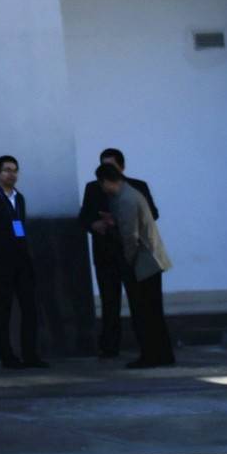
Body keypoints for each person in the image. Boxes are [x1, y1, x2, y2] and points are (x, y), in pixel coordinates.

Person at [78, 149, 161, 357]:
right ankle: (109, 346)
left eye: (111, 166)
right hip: (105, 252)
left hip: (130, 253)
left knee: (138, 301)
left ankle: (144, 347)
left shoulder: (137, 187)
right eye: (103, 166)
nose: (107, 172)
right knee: (109, 302)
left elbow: (152, 214)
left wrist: (121, 221)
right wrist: (94, 224)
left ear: (122, 167)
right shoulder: (93, 188)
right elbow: (84, 217)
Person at [0, 154, 49, 369]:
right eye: (6, 170)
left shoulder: (20, 199)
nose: (11, 174)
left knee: (29, 307)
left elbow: (20, 227)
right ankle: (7, 355)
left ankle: (30, 354)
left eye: (14, 170)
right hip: (2, 262)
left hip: (22, 261)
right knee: (4, 308)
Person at [97, 168, 176, 367]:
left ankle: (150, 355)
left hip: (143, 263)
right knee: (153, 313)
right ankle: (163, 355)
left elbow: (130, 237)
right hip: (151, 261)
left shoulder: (125, 200)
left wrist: (128, 261)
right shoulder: (130, 193)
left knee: (144, 313)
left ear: (106, 181)